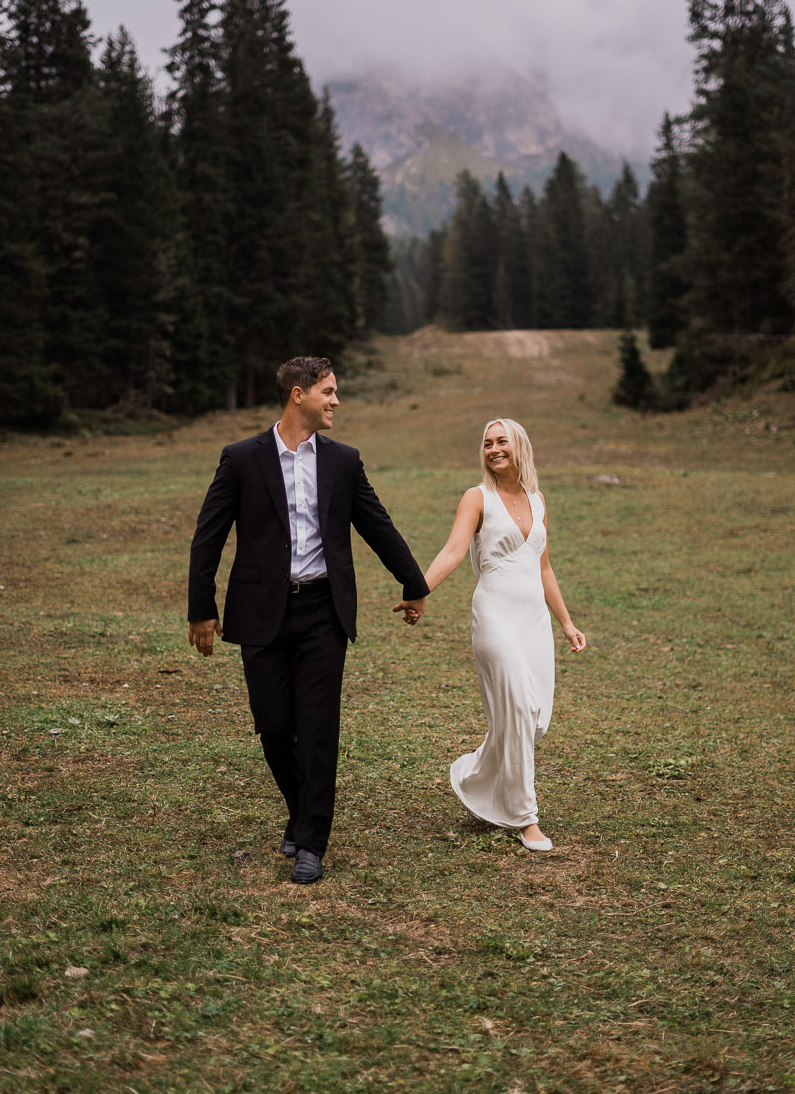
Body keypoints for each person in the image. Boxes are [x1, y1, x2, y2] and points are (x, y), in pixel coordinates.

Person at [188, 356, 428, 884]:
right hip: (261, 611)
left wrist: (414, 583)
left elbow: (377, 524)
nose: (336, 401)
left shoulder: (343, 461)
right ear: (298, 395)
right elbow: (208, 536)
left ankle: (312, 841)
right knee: (274, 726)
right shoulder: (242, 458)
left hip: (324, 610)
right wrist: (201, 607)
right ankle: (301, 811)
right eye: (328, 391)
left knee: (317, 727)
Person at [421, 418, 585, 852]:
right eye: (487, 443)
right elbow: (453, 551)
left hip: (534, 621)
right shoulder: (477, 498)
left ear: (519, 447)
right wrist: (420, 590)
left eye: (501, 442)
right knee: (518, 707)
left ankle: (476, 777)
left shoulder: (538, 500)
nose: (493, 449)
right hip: (494, 615)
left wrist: (566, 623)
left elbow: (544, 567)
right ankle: (526, 818)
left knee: (534, 719)